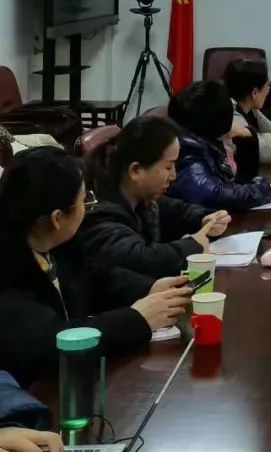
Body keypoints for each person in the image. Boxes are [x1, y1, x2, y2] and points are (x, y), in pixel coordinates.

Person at [0, 148, 192, 385]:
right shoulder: (9, 275)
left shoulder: (56, 243)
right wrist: (137, 319)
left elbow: (95, 277)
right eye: (84, 201)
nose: (89, 206)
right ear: (58, 218)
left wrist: (149, 288)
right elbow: (55, 340)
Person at [78, 117, 232, 279]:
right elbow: (143, 260)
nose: (174, 176)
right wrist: (193, 246)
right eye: (168, 167)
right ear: (136, 170)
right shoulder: (98, 211)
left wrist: (205, 219)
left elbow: (179, 212)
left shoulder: (142, 197)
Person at [169, 80, 271, 212]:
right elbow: (215, 194)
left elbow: (236, 181)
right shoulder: (187, 151)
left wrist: (249, 136)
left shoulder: (208, 142)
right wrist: (263, 192)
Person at [224, 58, 271, 179]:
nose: (269, 90)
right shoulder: (232, 116)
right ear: (254, 92)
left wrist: (262, 138)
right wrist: (265, 138)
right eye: (268, 85)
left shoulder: (252, 111)